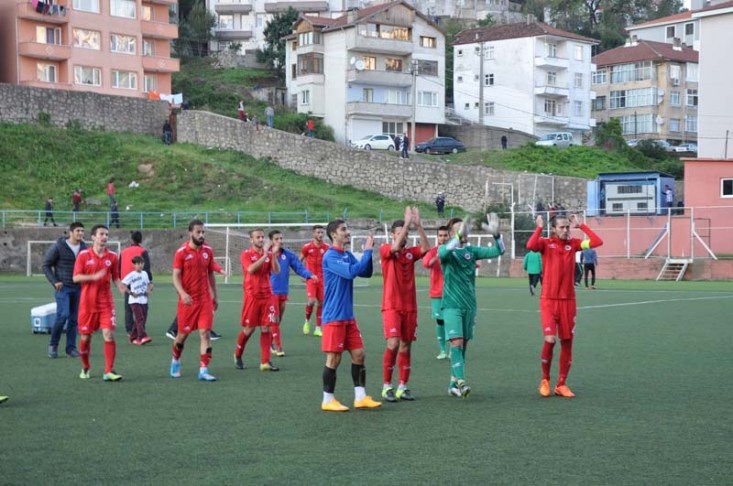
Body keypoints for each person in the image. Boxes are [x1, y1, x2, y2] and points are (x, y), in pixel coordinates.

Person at [526, 214, 603, 398]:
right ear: (553, 229)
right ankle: (545, 380)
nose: (565, 230)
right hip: (549, 300)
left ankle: (561, 384)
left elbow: (597, 242)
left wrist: (581, 226)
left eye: (567, 227)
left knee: (567, 342)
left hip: (568, 301)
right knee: (550, 339)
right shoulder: (545, 243)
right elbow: (530, 245)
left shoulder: (574, 244)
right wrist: (539, 227)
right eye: (561, 227)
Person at [438, 215, 505, 398]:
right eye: (460, 229)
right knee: (457, 343)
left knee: (463, 346)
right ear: (451, 234)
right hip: (451, 305)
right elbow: (442, 254)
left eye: (466, 228)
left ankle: (452, 384)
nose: (465, 231)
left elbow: (500, 251)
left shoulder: (472, 251)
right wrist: (457, 237)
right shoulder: (446, 250)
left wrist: (497, 235)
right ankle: (461, 382)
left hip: (469, 305)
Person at [320, 219, 381, 412]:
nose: (348, 232)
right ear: (333, 235)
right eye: (343, 229)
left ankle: (360, 397)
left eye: (347, 229)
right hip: (334, 316)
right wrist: (366, 253)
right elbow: (350, 273)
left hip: (347, 316)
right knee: (334, 358)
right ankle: (328, 399)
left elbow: (365, 272)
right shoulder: (330, 256)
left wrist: (368, 254)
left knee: (359, 354)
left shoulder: (346, 254)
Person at [380, 207, 429, 402]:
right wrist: (407, 223)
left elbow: (426, 249)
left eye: (406, 233)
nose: (404, 235)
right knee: (393, 343)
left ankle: (402, 386)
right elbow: (394, 248)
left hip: (410, 307)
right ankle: (386, 386)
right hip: (391, 306)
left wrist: (418, 225)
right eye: (400, 233)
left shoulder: (410, 253)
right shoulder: (386, 249)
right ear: (393, 235)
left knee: (406, 346)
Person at [73, 224, 127, 381]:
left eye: (106, 234)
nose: (104, 237)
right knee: (85, 338)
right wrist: (93, 277)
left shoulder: (113, 257)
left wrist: (121, 287)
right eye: (101, 234)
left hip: (106, 302)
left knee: (109, 334)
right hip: (87, 303)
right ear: (93, 237)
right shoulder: (83, 255)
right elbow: (76, 278)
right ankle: (85, 367)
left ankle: (109, 371)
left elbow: (115, 277)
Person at [170, 219, 221, 381]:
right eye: (198, 232)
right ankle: (175, 359)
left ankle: (203, 370)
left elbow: (210, 274)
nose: (201, 235)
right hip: (188, 301)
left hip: (204, 300)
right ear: (190, 233)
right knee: (182, 336)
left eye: (203, 232)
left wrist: (215, 295)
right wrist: (183, 293)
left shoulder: (208, 251)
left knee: (205, 333)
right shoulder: (181, 252)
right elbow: (175, 276)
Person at [233, 229, 281, 372]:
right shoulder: (246, 254)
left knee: (267, 327)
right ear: (251, 240)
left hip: (267, 295)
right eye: (257, 237)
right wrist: (265, 255)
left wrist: (272, 255)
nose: (261, 239)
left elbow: (277, 271)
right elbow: (251, 269)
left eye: (262, 237)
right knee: (249, 329)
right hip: (252, 296)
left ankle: (265, 362)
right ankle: (238, 354)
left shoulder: (268, 254)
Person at [268, 230, 317, 356]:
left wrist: (309, 275)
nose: (280, 241)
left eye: (281, 238)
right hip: (270, 292)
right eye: (277, 239)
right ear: (271, 241)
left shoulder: (287, 254)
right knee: (275, 318)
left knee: (278, 319)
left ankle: (269, 341)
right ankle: (278, 346)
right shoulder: (266, 254)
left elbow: (299, 267)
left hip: (283, 291)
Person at [42, 222, 87, 358]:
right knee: (63, 315)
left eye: (82, 231)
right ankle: (53, 345)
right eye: (78, 230)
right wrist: (55, 281)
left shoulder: (84, 247)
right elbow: (46, 265)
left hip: (78, 288)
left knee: (74, 319)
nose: (80, 233)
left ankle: (71, 349)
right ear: (71, 232)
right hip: (63, 288)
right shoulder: (59, 246)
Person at [422, 225, 451, 359]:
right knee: (440, 322)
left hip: (452, 292)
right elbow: (426, 264)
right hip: (437, 293)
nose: (443, 238)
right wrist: (438, 256)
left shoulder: (454, 250)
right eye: (440, 235)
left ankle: (453, 349)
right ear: (437, 237)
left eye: (445, 235)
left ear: (449, 236)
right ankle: (443, 350)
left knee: (451, 321)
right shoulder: (433, 251)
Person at [119, 231, 152, 339]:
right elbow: (147, 268)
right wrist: (150, 282)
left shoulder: (123, 252)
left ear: (131, 239)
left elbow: (119, 267)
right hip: (139, 282)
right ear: (141, 240)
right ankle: (140, 330)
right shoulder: (143, 251)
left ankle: (130, 330)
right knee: (142, 308)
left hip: (126, 281)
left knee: (128, 308)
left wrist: (121, 279)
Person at [300, 225, 329, 337]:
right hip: (311, 278)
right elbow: (299, 261)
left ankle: (318, 328)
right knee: (311, 301)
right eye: (318, 232)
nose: (320, 234)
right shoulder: (307, 247)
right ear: (313, 233)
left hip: (323, 279)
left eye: (322, 232)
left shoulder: (327, 248)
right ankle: (307, 322)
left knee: (321, 302)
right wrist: (302, 274)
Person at [121, 256, 153, 345]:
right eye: (138, 264)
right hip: (134, 300)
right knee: (140, 318)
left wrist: (149, 290)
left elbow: (149, 284)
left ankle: (133, 337)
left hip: (144, 300)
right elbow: (123, 285)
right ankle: (142, 337)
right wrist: (131, 293)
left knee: (142, 319)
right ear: (134, 265)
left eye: (142, 263)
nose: (140, 265)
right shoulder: (132, 275)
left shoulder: (145, 273)